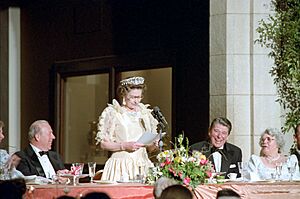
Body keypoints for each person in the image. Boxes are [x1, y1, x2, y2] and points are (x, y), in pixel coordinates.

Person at [96, 76, 159, 181]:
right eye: (133, 97)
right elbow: (103, 143)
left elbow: (150, 148)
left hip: (142, 165)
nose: (136, 101)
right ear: (124, 95)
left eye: (139, 97)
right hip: (121, 165)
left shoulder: (145, 114)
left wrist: (154, 144)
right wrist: (124, 145)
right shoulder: (113, 112)